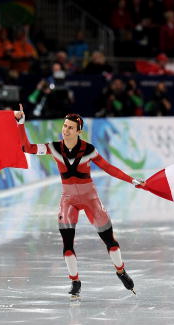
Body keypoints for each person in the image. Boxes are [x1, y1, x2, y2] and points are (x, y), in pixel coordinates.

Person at [15, 106, 144, 299]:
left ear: (78, 131)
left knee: (109, 241)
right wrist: (20, 123)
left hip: (90, 199)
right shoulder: (54, 148)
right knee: (67, 245)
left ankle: (121, 271)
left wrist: (132, 180)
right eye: (64, 126)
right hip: (68, 200)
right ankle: (75, 281)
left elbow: (109, 168)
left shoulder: (89, 150)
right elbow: (27, 148)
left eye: (70, 128)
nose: (65, 130)